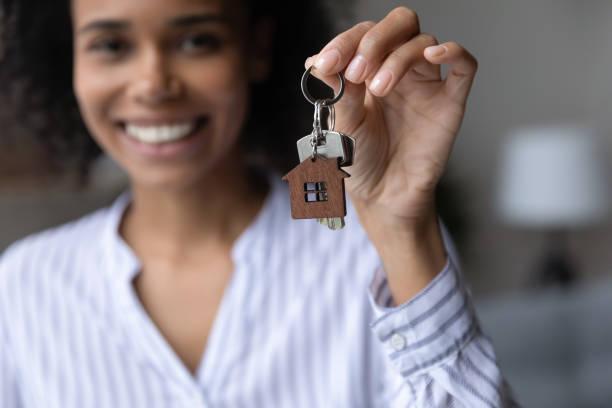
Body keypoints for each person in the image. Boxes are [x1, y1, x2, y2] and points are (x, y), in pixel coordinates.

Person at [0, 0, 517, 406]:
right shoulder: (23, 286)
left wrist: (403, 228)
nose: (154, 84)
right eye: (111, 45)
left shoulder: (378, 254)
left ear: (257, 49)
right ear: (68, 57)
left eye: (197, 40)